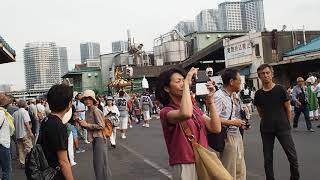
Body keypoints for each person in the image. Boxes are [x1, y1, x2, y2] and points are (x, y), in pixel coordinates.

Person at [156, 67, 221, 180]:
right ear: (167, 88)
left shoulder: (195, 108)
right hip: (185, 163)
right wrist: (186, 84)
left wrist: (210, 101)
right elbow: (185, 113)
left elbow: (215, 128)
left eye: (183, 80)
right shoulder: (166, 112)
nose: (183, 83)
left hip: (203, 159)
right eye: (178, 81)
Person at [254, 64, 299, 180]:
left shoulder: (280, 89)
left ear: (272, 74)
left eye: (267, 73)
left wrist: (287, 125)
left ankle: (295, 177)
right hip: (266, 129)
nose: (265, 75)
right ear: (259, 76)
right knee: (268, 158)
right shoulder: (258, 94)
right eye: (262, 74)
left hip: (283, 128)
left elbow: (288, 109)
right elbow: (260, 112)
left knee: (292, 156)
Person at [214, 69, 246, 180]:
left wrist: (241, 122)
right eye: (239, 80)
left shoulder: (233, 95)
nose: (241, 83)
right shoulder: (218, 96)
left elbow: (233, 114)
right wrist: (232, 122)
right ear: (232, 82)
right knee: (229, 171)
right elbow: (213, 119)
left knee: (240, 169)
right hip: (227, 137)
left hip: (237, 135)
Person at [40, 84, 74, 180]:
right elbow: (63, 161)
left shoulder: (46, 120)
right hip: (54, 174)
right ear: (69, 104)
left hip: (45, 171)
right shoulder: (59, 126)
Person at [79, 90, 111, 180]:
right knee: (99, 164)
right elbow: (89, 126)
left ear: (93, 100)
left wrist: (86, 125)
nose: (87, 101)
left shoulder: (95, 110)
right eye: (85, 99)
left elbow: (101, 125)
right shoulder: (87, 111)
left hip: (100, 138)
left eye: (89, 98)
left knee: (100, 164)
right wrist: (82, 124)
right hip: (95, 139)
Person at [12, 100, 33, 168]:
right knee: (29, 147)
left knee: (20, 149)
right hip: (25, 133)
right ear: (24, 105)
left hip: (18, 133)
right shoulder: (25, 112)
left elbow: (13, 124)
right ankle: (30, 161)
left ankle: (22, 162)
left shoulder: (15, 113)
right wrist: (30, 132)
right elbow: (26, 123)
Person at [0, 93, 13, 180]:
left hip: (3, 143)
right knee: (7, 170)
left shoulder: (3, 113)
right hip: (2, 144)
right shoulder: (1, 113)